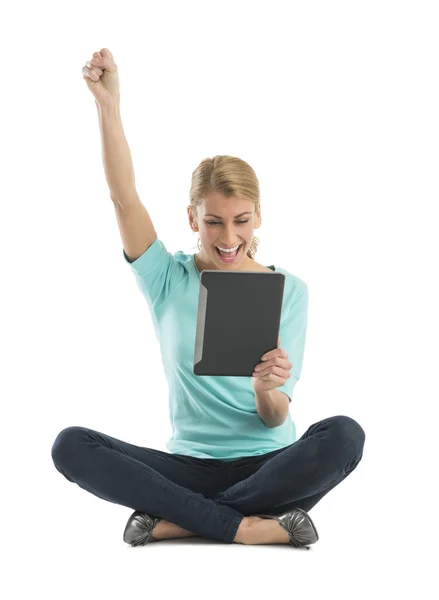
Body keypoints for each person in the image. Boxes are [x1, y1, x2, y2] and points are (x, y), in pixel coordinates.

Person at [51, 48, 366, 549]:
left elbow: (275, 417)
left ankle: (179, 522)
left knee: (345, 435)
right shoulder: (165, 277)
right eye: (214, 221)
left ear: (258, 217)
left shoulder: (289, 290)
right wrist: (108, 107)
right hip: (185, 469)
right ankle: (251, 527)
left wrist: (267, 388)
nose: (227, 237)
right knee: (71, 445)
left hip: (272, 466)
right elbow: (124, 197)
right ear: (193, 218)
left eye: (240, 221)